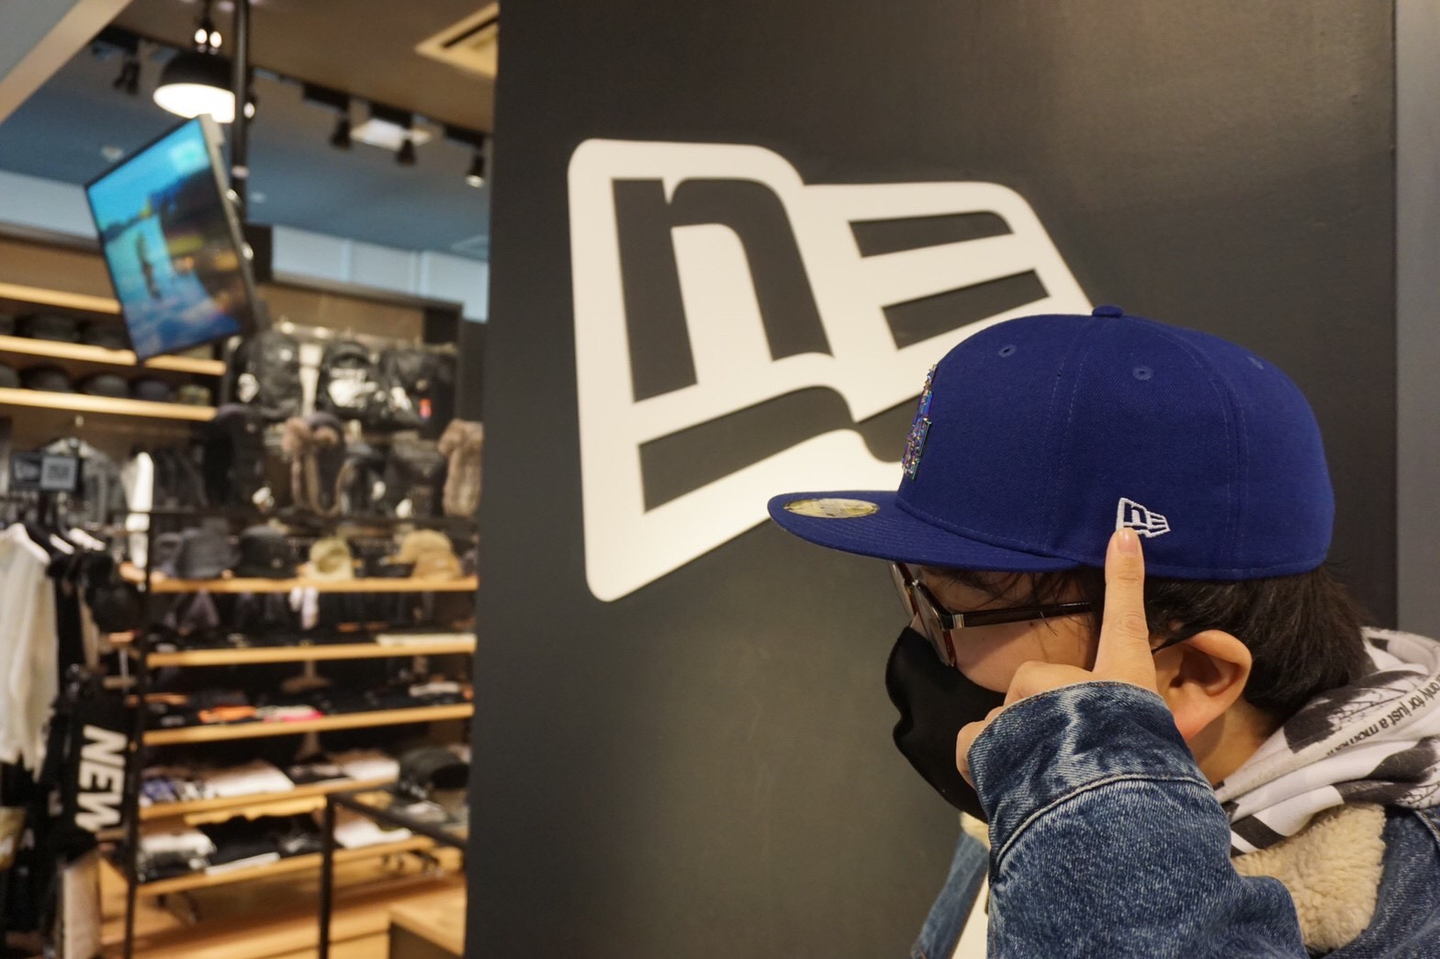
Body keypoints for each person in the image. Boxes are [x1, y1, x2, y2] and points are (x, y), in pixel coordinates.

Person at [767, 306, 1440, 957]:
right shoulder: (1043, 785)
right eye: (914, 590)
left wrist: (1088, 808)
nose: (921, 645)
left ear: (1189, 675)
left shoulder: (1406, 903)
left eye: (953, 616)